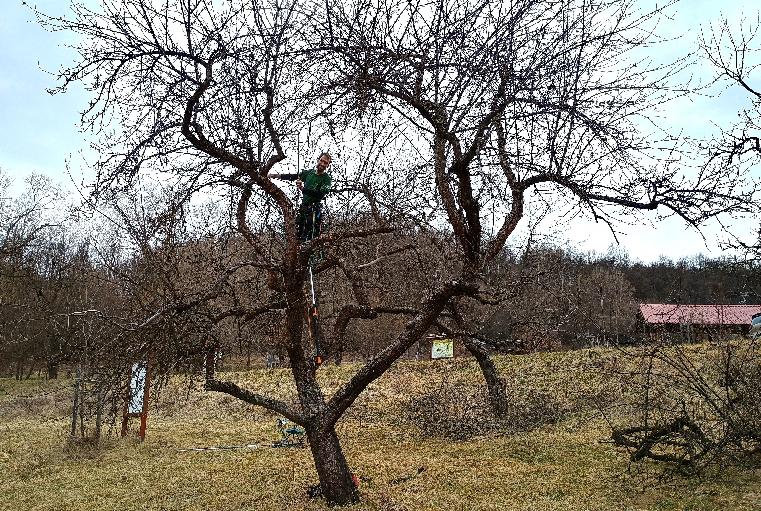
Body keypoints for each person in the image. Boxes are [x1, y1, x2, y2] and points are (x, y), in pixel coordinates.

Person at [270, 152, 333, 242]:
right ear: (318, 160)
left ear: (328, 165)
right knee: (298, 236)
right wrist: (275, 176)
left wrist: (303, 189)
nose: (322, 164)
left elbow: (320, 194)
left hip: (314, 210)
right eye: (321, 161)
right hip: (303, 208)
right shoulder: (309, 173)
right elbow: (294, 176)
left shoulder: (326, 179)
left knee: (309, 237)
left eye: (325, 163)